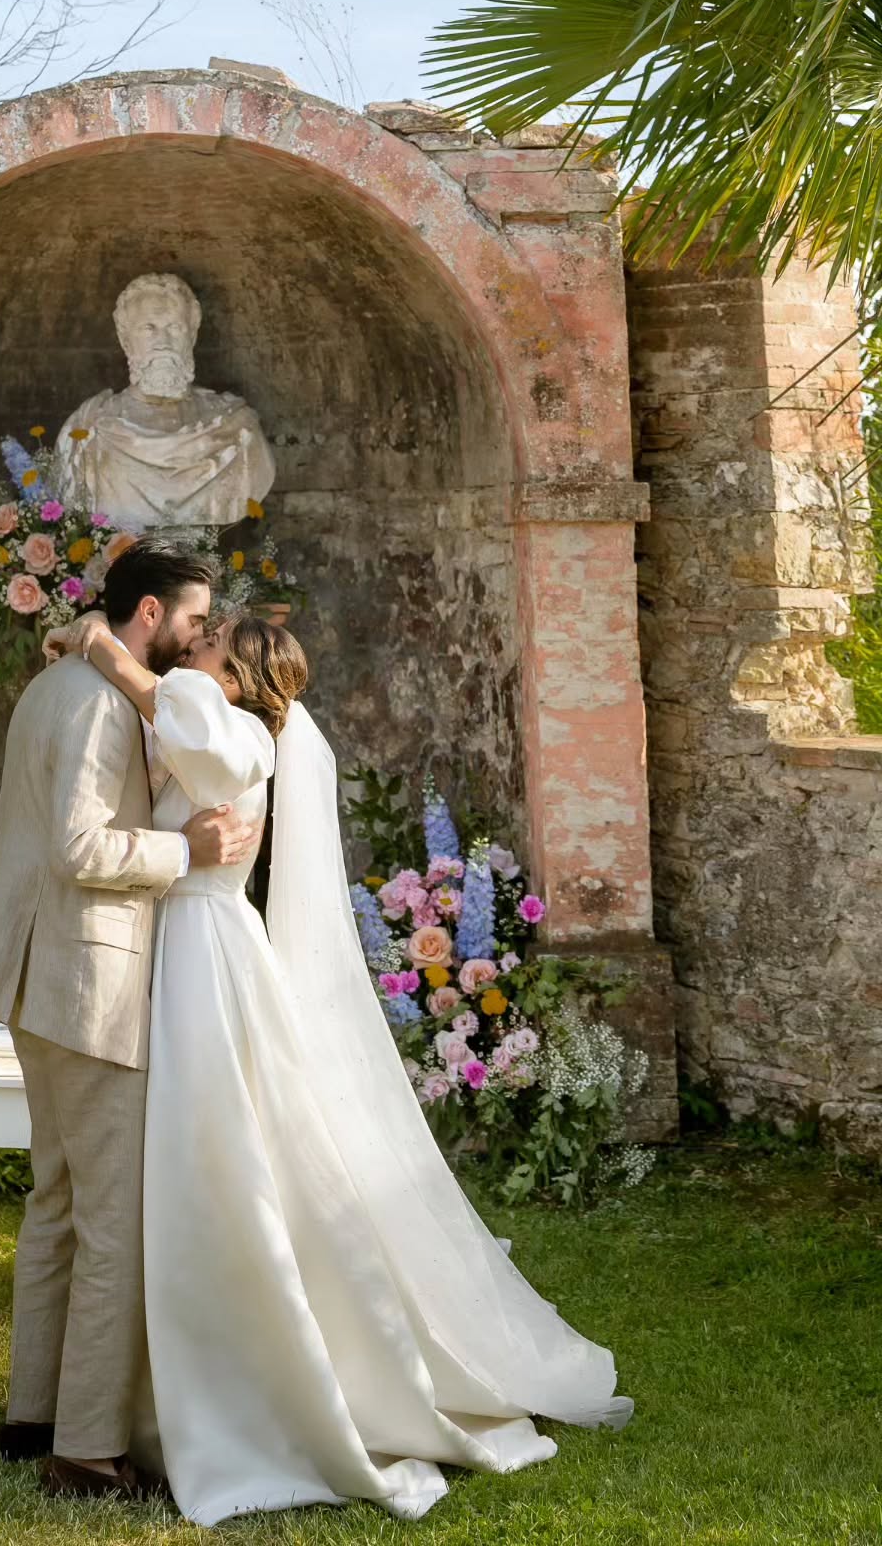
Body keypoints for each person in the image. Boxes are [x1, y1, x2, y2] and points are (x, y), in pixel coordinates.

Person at [45, 606, 634, 1526]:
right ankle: (160, 1391)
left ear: (238, 676)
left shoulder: (233, 731)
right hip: (184, 942)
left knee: (219, 1155)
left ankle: (250, 1393)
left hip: (205, 949)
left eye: (206, 647)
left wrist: (103, 647)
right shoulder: (218, 720)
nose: (190, 652)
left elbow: (182, 716)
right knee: (192, 1162)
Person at [0, 541, 260, 1500]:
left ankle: (31, 1411)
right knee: (111, 1221)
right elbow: (82, 846)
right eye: (197, 621)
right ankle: (83, 1450)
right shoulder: (93, 703)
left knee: (58, 1205)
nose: (203, 637)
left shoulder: (64, 684)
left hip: (45, 977)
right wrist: (185, 844)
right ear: (151, 616)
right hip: (87, 981)